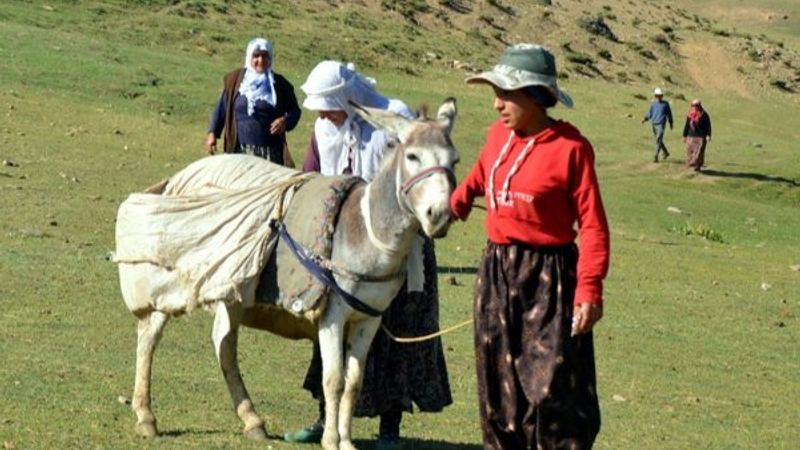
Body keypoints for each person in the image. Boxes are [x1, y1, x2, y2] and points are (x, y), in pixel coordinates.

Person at [284, 60, 452, 450]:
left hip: (399, 248)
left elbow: (421, 176)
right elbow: (312, 176)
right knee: (329, 331)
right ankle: (326, 419)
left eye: (328, 104)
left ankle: (388, 429)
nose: (322, 113)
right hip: (344, 247)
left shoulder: (392, 125)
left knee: (399, 330)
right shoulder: (323, 130)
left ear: (348, 98)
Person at [450, 44, 610, 449]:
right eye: (496, 93)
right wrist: (458, 202)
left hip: (549, 276)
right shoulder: (496, 136)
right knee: (497, 383)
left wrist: (589, 288)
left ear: (536, 97)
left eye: (507, 94)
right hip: (496, 271)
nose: (497, 104)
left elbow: (592, 223)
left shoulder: (571, 149)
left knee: (549, 389)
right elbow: (482, 172)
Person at [205, 37, 301, 165]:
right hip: (238, 151)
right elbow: (222, 108)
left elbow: (295, 111)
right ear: (249, 57)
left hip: (269, 154)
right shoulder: (235, 80)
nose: (260, 60)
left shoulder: (280, 84)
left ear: (270, 58)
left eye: (265, 56)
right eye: (256, 56)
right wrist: (213, 133)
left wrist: (285, 121)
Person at [641, 87, 673, 163]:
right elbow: (650, 113)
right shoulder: (653, 104)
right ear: (655, 96)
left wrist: (671, 123)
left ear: (662, 96)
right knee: (658, 140)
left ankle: (655, 156)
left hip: (661, 124)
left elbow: (669, 114)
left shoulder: (666, 104)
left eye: (660, 95)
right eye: (657, 95)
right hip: (654, 124)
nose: (659, 97)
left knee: (658, 139)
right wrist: (645, 119)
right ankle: (666, 152)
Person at [682, 99, 712, 172]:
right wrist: (684, 135)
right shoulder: (690, 115)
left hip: (700, 136)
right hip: (691, 136)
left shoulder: (704, 115)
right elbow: (687, 126)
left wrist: (708, 135)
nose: (694, 107)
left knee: (698, 153)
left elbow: (708, 126)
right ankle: (693, 164)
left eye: (696, 106)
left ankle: (697, 165)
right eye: (693, 106)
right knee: (690, 151)